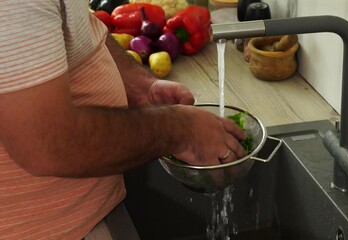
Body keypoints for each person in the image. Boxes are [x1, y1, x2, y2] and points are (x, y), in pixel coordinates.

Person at [0, 1, 247, 239]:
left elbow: (78, 25)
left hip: (87, 217)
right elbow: (47, 143)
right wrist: (179, 130)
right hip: (46, 231)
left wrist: (137, 83)